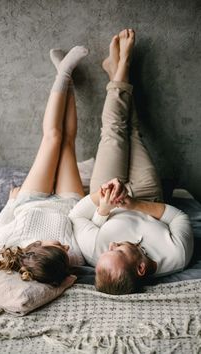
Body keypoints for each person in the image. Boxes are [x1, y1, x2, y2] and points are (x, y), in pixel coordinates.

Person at [69, 29, 194, 295]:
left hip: (107, 194)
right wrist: (134, 203)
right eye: (119, 250)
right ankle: (114, 72)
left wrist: (102, 204)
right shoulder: (177, 255)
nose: (111, 245)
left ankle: (121, 65)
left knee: (114, 131)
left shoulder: (99, 254)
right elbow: (179, 217)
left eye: (109, 249)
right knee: (134, 132)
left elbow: (76, 216)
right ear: (141, 268)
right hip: (149, 197)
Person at [0, 45, 89, 286]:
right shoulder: (72, 258)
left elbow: (3, 218)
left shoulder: (2, 243)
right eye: (66, 250)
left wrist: (12, 201)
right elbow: (81, 224)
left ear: (36, 247)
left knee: (53, 137)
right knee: (67, 143)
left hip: (30, 201)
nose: (67, 246)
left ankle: (63, 73)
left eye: (58, 246)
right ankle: (66, 77)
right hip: (68, 204)